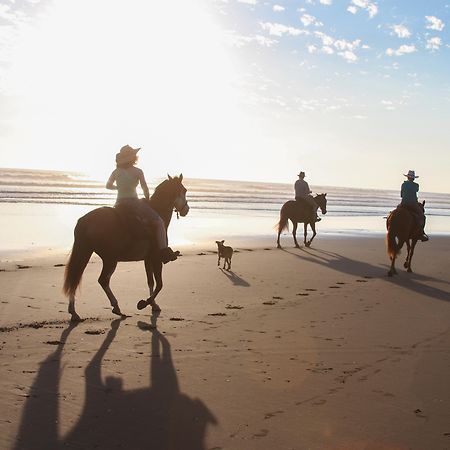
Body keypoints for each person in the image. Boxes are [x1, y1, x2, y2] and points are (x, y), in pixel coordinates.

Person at [106, 145, 180, 263]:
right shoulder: (138, 171)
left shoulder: (116, 172)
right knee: (159, 222)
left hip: (119, 203)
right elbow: (145, 188)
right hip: (134, 203)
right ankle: (164, 252)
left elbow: (108, 186)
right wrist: (147, 199)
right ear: (132, 158)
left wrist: (119, 188)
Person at [400, 169, 428, 242]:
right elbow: (416, 190)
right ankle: (421, 233)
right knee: (422, 216)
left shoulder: (403, 184)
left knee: (394, 211)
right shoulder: (416, 185)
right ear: (413, 178)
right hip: (413, 204)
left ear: (407, 177)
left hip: (403, 203)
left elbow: (401, 195)